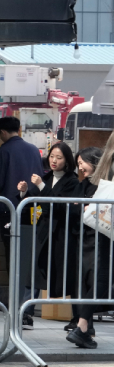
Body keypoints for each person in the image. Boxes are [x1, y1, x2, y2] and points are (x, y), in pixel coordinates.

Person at [0, 116, 44, 324]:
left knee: (13, 257)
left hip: (10, 210)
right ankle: (27, 307)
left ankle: (16, 307)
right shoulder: (34, 150)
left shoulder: (3, 151)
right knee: (30, 258)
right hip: (33, 210)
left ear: (3, 132)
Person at [18, 141, 80, 307]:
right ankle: (26, 310)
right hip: (44, 230)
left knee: (65, 274)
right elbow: (31, 200)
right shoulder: (47, 177)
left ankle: (77, 315)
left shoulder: (72, 181)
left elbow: (58, 204)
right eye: (52, 156)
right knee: (34, 270)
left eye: (59, 157)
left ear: (67, 160)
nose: (54, 160)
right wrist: (24, 191)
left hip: (61, 232)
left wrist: (41, 185)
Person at [68, 146, 109, 348]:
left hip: (100, 236)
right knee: (101, 279)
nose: (80, 168)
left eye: (81, 163)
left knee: (100, 279)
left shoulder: (102, 182)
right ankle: (83, 326)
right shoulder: (91, 183)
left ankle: (83, 327)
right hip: (98, 237)